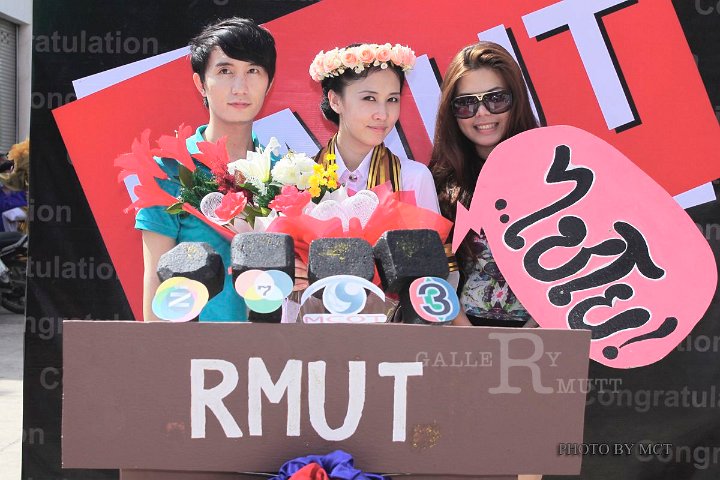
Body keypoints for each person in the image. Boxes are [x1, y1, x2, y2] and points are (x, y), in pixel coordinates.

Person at [135, 17, 276, 322]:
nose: (240, 87)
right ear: (200, 83)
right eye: (225, 71)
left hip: (273, 347)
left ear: (269, 84)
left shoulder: (285, 173)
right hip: (195, 347)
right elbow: (156, 293)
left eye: (253, 71)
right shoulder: (170, 170)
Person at [430, 41, 539, 329]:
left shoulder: (552, 169)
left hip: (546, 334)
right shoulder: (438, 182)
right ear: (451, 112)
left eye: (496, 98)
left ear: (516, 100)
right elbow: (431, 274)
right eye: (466, 103)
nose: (482, 112)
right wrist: (469, 337)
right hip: (463, 336)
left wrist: (532, 334)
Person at [310, 43, 439, 214]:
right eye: (369, 98)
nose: (383, 114)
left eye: (392, 99)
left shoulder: (413, 179)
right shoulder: (300, 179)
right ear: (335, 101)